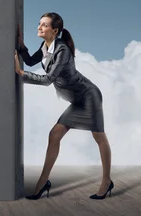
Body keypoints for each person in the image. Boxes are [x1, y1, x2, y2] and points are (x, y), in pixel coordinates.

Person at [14, 12, 113, 200]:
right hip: (76, 100)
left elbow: (47, 80)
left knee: (99, 137)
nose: (39, 27)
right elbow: (31, 61)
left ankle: (106, 181)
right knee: (55, 135)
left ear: (55, 30)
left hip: (88, 97)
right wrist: (21, 46)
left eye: (44, 25)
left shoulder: (62, 51)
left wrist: (20, 74)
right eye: (39, 23)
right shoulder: (46, 45)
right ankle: (43, 182)